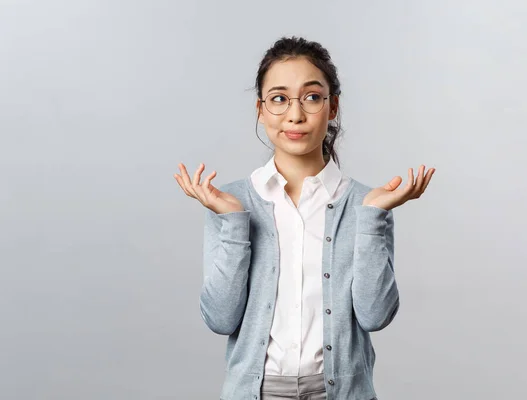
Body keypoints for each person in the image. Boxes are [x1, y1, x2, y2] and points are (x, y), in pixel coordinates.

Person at [174, 36, 435, 400]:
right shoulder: (229, 202)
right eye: (279, 99)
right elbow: (220, 319)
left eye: (312, 97)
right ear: (260, 109)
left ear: (332, 108)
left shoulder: (366, 203)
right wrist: (234, 221)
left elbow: (376, 315)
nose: (295, 114)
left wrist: (373, 217)